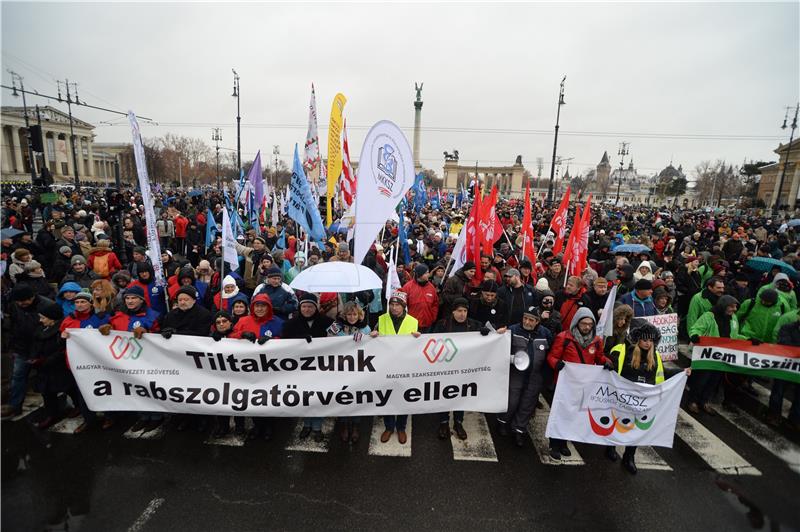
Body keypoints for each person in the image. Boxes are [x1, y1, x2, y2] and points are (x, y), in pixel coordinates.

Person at [608, 320, 691, 474]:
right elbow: (610, 366)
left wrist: (681, 372)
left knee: (636, 429)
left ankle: (629, 456)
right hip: (621, 397)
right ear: (638, 338)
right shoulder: (621, 350)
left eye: (651, 340)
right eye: (645, 340)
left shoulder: (655, 356)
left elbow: (662, 374)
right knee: (616, 423)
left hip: (642, 401)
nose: (647, 344)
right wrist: (608, 365)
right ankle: (610, 447)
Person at [547, 307, 611, 460]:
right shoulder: (564, 337)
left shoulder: (596, 341)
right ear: (577, 323)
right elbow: (552, 357)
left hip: (583, 386)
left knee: (573, 415)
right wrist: (556, 364)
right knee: (560, 414)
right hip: (564, 385)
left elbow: (599, 357)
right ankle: (554, 444)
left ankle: (564, 443)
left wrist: (606, 362)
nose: (587, 327)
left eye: (590, 324)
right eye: (584, 324)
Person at [99, 285, 162, 432]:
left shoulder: (153, 315)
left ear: (141, 300)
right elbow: (111, 329)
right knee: (135, 389)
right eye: (127, 298)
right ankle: (143, 416)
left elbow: (160, 338)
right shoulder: (118, 315)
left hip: (148, 361)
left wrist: (148, 332)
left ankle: (156, 417)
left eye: (134, 298)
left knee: (149, 388)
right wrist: (105, 328)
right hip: (126, 361)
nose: (130, 301)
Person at [432, 298, 491, 440]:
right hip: (445, 369)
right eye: (459, 311)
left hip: (465, 370)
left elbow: (490, 332)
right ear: (453, 311)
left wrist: (487, 332)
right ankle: (443, 422)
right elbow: (430, 341)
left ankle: (458, 422)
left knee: (461, 396)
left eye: (465, 311)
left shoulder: (474, 325)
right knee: (444, 395)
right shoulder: (443, 324)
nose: (462, 314)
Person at [281, 293, 333, 442]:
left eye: (310, 306)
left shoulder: (327, 321)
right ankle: (306, 425)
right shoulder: (291, 323)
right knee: (305, 397)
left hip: (322, 367)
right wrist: (299, 339)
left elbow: (340, 337)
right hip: (300, 369)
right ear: (299, 307)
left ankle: (317, 427)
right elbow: (283, 343)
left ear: (316, 307)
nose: (307, 309)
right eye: (304, 306)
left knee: (318, 398)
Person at [498, 306, 552, 446]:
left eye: (531, 320)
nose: (527, 322)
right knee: (512, 400)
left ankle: (519, 430)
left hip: (535, 375)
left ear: (538, 321)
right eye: (525, 318)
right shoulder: (513, 330)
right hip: (516, 373)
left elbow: (551, 354)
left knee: (527, 404)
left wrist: (546, 375)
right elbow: (501, 349)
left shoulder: (545, 334)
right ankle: (503, 422)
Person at [60, 292, 113, 432]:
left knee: (105, 389)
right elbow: (61, 340)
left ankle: (110, 416)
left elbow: (112, 334)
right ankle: (88, 419)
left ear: (90, 303)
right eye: (77, 303)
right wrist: (62, 336)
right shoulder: (69, 320)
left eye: (83, 302)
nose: (79, 305)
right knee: (83, 392)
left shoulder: (101, 317)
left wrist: (108, 329)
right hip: (79, 364)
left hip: (99, 362)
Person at [1, 285, 55, 418]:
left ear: (31, 297)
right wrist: (12, 345)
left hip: (41, 349)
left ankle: (53, 407)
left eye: (23, 301)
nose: (21, 304)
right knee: (18, 377)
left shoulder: (46, 305)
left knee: (47, 379)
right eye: (18, 302)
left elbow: (53, 326)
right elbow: (13, 324)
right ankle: (15, 406)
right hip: (22, 348)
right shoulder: (15, 306)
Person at [374, 290, 421, 444]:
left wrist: (418, 338)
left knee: (403, 398)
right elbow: (372, 341)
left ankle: (401, 427)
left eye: (397, 305)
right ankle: (389, 426)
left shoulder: (413, 321)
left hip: (404, 368)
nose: (394, 308)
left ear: (403, 306)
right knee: (387, 398)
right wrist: (373, 335)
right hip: (385, 367)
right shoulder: (381, 319)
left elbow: (418, 347)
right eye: (392, 305)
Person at [687, 295, 743, 415]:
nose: (734, 309)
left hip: (721, 357)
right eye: (731, 306)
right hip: (707, 356)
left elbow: (735, 336)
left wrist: (748, 340)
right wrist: (695, 336)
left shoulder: (733, 318)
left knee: (713, 381)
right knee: (701, 379)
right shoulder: (709, 316)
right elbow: (696, 328)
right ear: (723, 306)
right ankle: (692, 401)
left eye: (735, 307)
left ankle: (705, 401)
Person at [30, 302, 83, 429]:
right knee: (47, 392)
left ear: (52, 318)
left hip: (59, 367)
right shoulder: (40, 329)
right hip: (44, 368)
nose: (40, 320)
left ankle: (79, 406)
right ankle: (51, 414)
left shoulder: (61, 330)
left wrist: (47, 360)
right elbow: (35, 344)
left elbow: (62, 350)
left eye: (43, 317)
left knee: (69, 388)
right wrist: (34, 358)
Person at [327, 301, 372, 443]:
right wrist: (337, 332)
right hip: (340, 369)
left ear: (359, 315)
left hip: (358, 369)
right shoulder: (336, 326)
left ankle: (356, 425)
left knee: (357, 397)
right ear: (344, 315)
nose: (352, 317)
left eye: (354, 314)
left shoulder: (365, 328)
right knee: (342, 397)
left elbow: (372, 347)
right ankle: (345, 424)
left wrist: (371, 337)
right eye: (349, 314)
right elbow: (326, 341)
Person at [209, 310, 247, 438]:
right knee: (221, 402)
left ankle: (240, 426)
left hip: (237, 376)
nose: (221, 324)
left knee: (238, 400)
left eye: (224, 321)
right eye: (218, 322)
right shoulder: (211, 338)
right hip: (219, 376)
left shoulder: (237, 336)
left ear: (230, 323)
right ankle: (223, 427)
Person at [401, 263, 439, 332]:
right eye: (426, 273)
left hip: (427, 324)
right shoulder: (408, 287)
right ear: (420, 274)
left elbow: (435, 303)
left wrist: (433, 317)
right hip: (412, 324)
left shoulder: (431, 287)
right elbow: (401, 304)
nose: (428, 274)